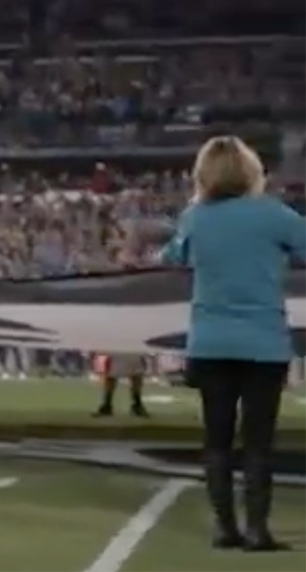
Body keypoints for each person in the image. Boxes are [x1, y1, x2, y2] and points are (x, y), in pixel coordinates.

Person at [157, 136, 299, 552]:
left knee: (216, 440)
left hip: (210, 341)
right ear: (251, 171)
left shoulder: (195, 218)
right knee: (258, 442)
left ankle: (225, 528)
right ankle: (258, 530)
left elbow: (171, 257)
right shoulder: (274, 216)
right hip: (263, 342)